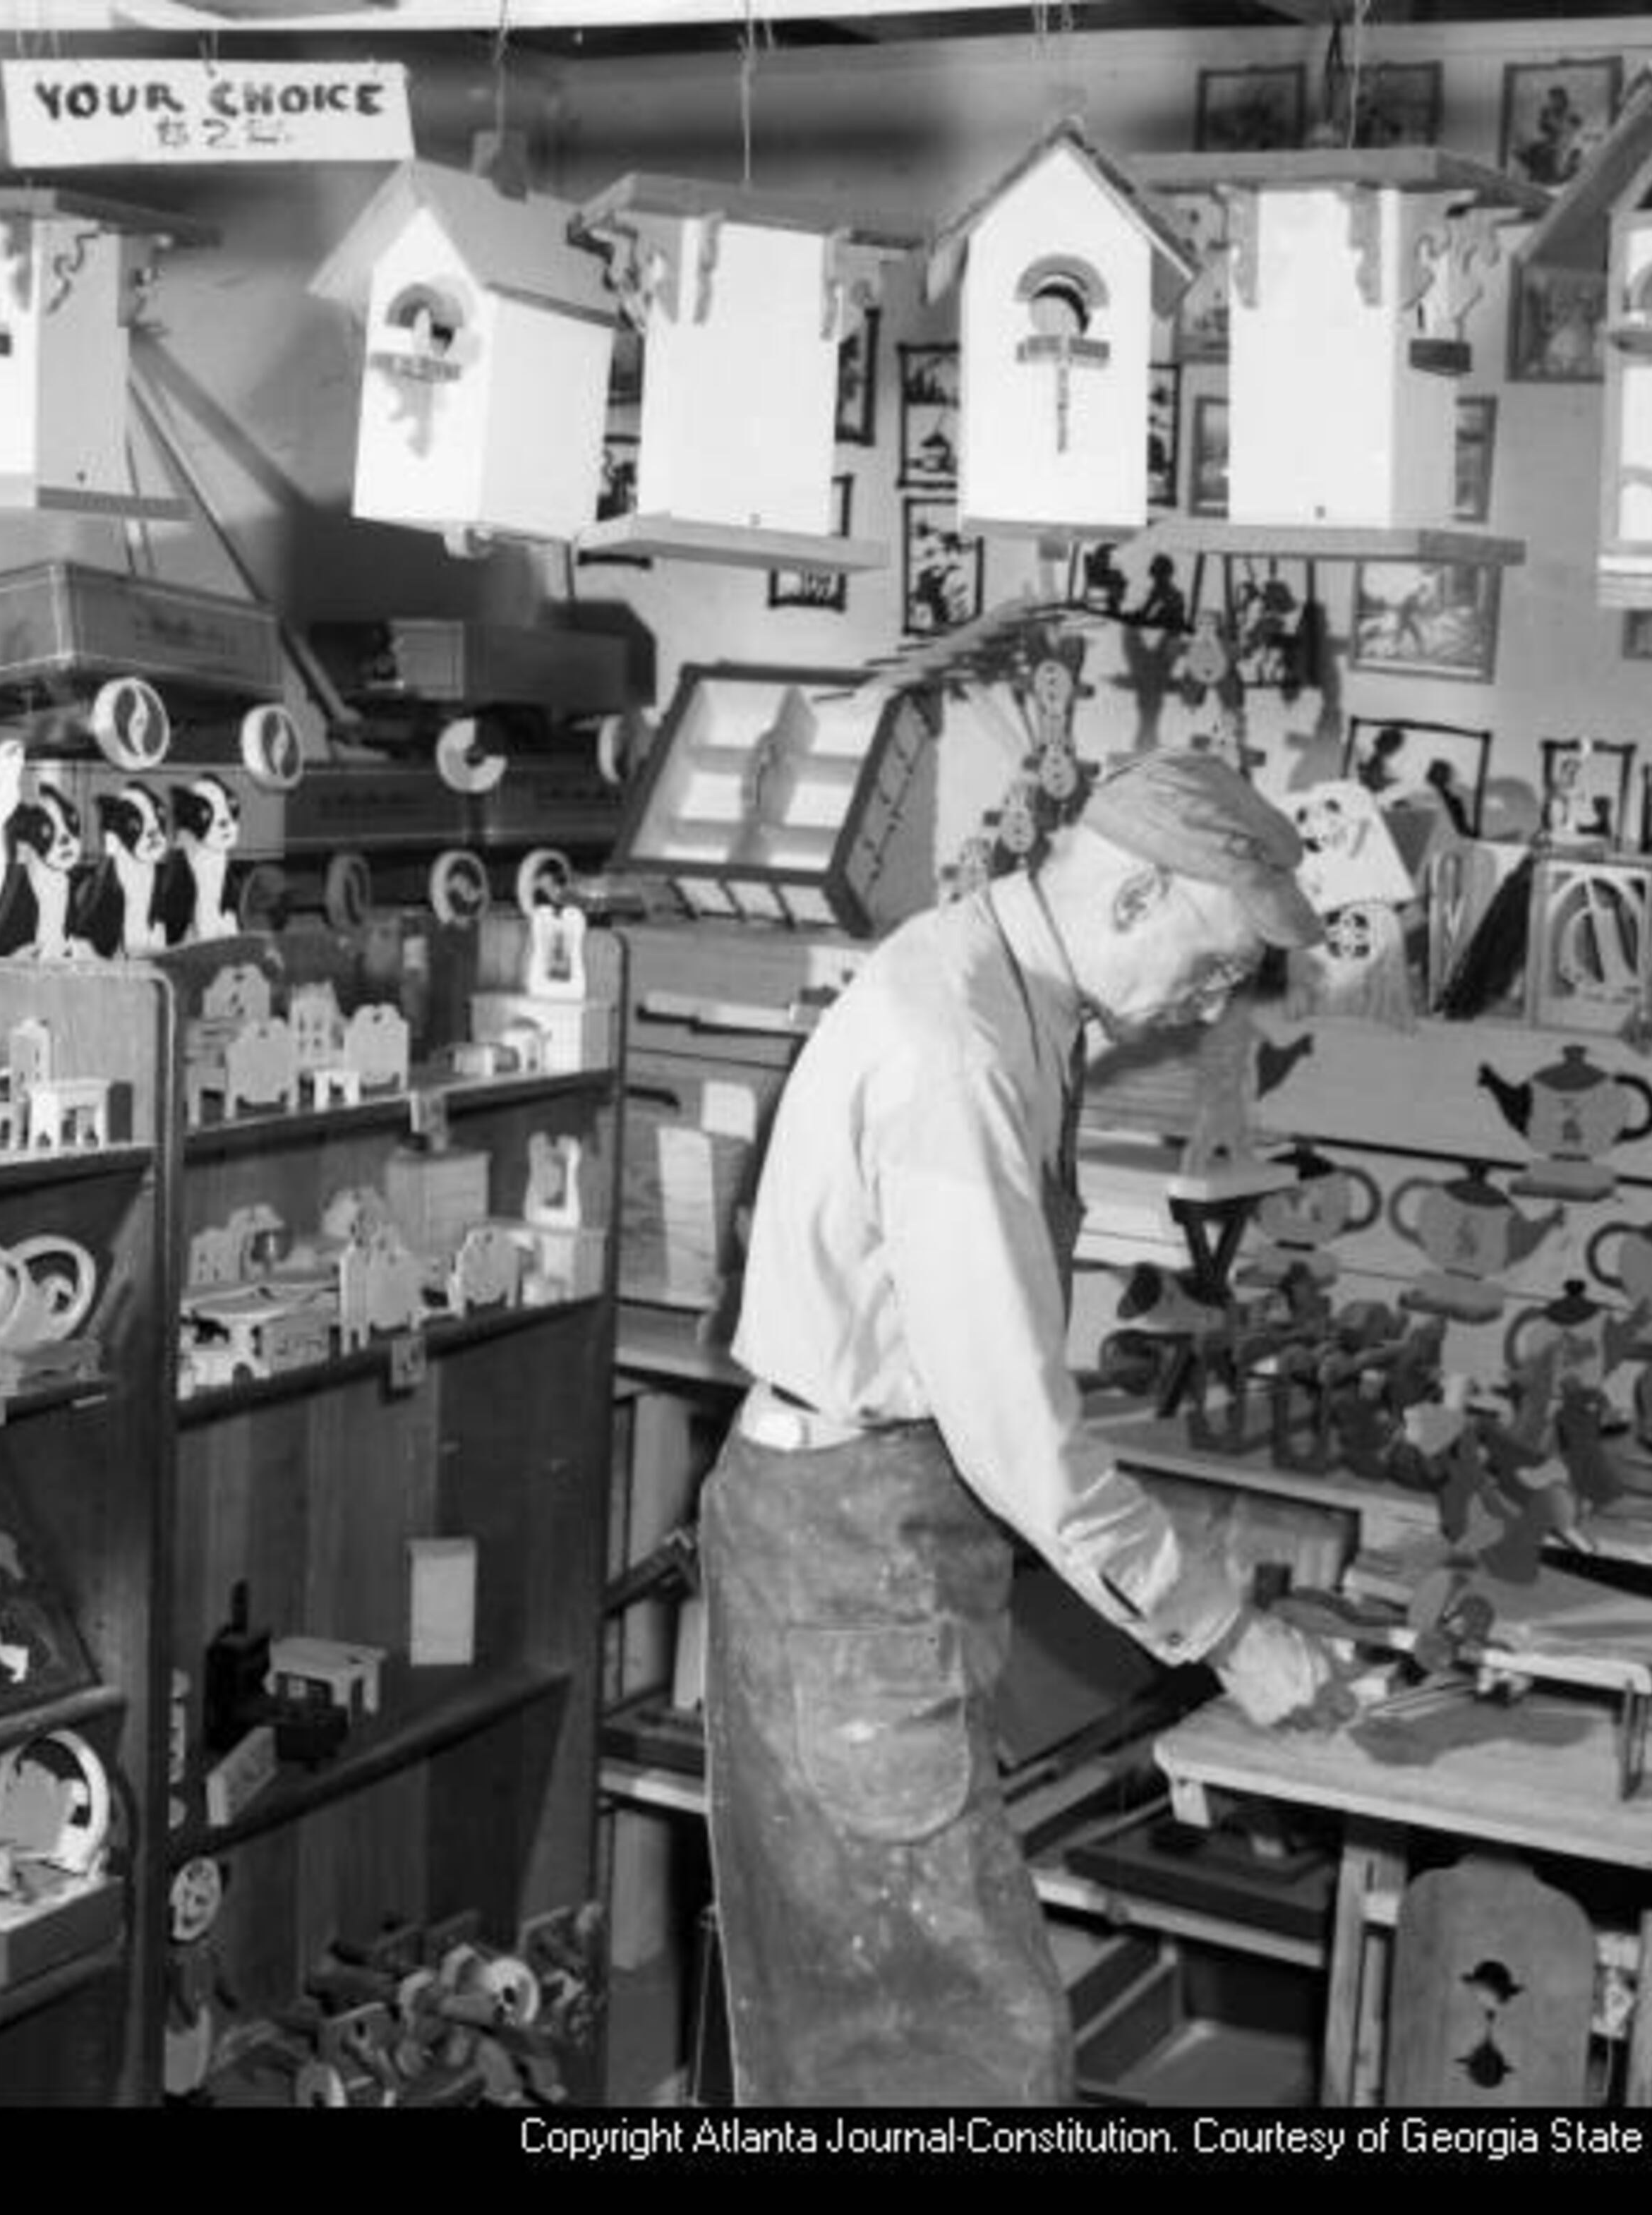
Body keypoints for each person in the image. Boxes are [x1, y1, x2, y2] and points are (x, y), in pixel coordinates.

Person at [702, 749, 1358, 2106]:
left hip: (877, 1524)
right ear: (1135, 897)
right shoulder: (960, 1048)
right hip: (849, 1548)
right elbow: (1014, 1430)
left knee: (868, 2025)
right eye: (1220, 960)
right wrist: (1224, 1627)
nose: (1211, 1002)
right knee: (950, 2044)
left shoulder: (1005, 991)